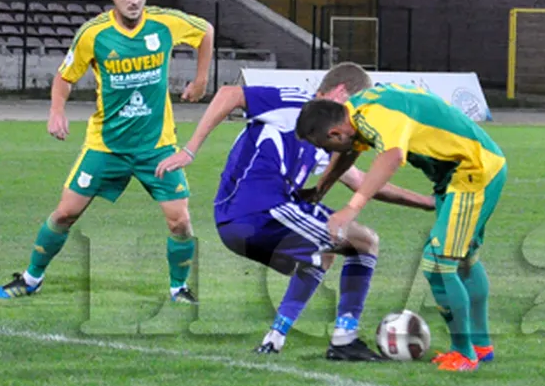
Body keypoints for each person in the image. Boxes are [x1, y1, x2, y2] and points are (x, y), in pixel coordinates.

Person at [156, 62, 435, 358]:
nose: (357, 114)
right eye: (355, 103)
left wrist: (428, 202)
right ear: (340, 92)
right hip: (260, 209)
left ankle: (274, 339)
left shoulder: (323, 135)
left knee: (322, 254)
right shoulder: (297, 103)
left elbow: (362, 182)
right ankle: (344, 340)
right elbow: (229, 93)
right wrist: (190, 150)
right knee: (365, 243)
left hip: (236, 222)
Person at [0, 0, 213, 303]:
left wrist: (201, 80)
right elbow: (64, 78)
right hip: (106, 145)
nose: (134, 0)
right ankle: (31, 278)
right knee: (65, 213)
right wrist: (56, 111)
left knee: (180, 222)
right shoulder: (93, 33)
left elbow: (206, 31)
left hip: (157, 146)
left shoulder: (165, 23)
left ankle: (178, 288)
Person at [294, 84, 507, 372]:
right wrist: (321, 188)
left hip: (472, 171)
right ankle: (481, 345)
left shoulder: (376, 117)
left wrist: (351, 208)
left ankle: (464, 354)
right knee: (464, 259)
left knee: (438, 264)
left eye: (323, 146)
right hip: (459, 172)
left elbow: (391, 156)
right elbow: (349, 152)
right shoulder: (355, 112)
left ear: (334, 133)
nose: (324, 152)